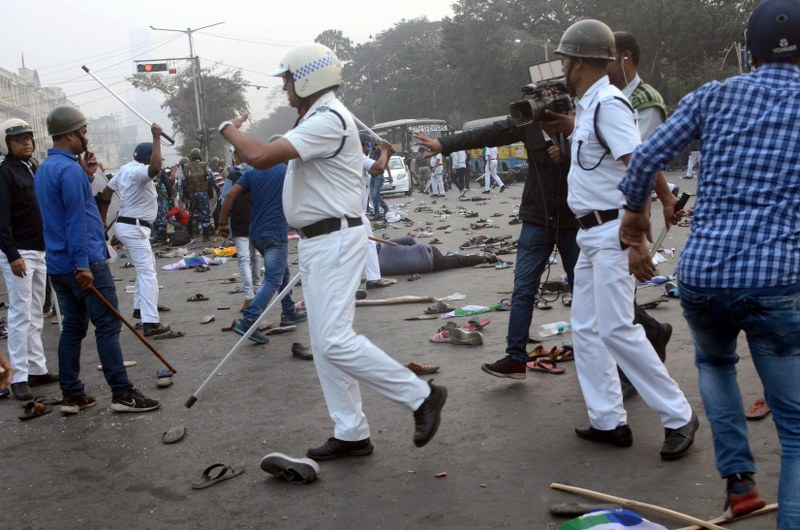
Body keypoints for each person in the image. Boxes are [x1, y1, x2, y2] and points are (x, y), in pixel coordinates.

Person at [618, 0, 800, 524]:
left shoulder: (715, 96)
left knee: (716, 363)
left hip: (703, 275)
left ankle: (739, 481)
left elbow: (647, 155)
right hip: (776, 281)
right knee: (795, 428)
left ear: (748, 52)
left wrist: (635, 220)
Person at [220, 42, 446, 459]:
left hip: (335, 240)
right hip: (319, 240)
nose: (285, 89)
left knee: (336, 341)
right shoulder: (319, 117)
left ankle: (419, 396)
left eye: (288, 80)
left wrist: (227, 128)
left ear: (307, 78)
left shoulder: (326, 119)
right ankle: (351, 432)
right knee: (325, 345)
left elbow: (261, 155)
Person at [553, 19, 697, 459]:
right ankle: (608, 420)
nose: (562, 66)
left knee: (617, 327)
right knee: (586, 328)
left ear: (577, 61)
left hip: (614, 230)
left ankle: (679, 415)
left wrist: (642, 229)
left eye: (563, 59)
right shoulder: (590, 105)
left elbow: (640, 161)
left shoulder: (609, 104)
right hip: (591, 234)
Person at [415, 115, 579, 382]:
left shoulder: (585, 123)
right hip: (537, 218)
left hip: (575, 220)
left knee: (584, 289)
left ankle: (600, 348)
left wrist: (570, 158)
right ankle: (516, 358)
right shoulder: (529, 124)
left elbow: (609, 164)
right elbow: (486, 134)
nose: (549, 123)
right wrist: (443, 144)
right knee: (523, 288)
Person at [34, 104, 160, 415]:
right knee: (107, 325)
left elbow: (62, 213)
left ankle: (72, 393)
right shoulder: (69, 171)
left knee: (73, 328)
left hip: (58, 264)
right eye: (84, 132)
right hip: (83, 261)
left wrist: (88, 175)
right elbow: (75, 220)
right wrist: (83, 265)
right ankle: (122, 391)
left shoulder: (46, 170)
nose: (86, 138)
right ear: (70, 135)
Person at [606, 30, 678, 398]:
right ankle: (649, 334)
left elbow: (643, 161)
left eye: (609, 56)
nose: (603, 64)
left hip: (629, 210)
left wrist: (648, 215)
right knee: (618, 297)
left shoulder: (644, 100)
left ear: (627, 58)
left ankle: (639, 361)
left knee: (619, 298)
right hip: (606, 206)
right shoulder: (607, 95)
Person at [218, 142, 306, 345]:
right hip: (275, 234)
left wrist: (223, 223)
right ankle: (249, 319)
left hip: (255, 234)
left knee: (282, 273)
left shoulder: (252, 173)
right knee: (273, 279)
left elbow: (230, 195)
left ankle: (288, 311)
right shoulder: (286, 172)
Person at [0, 118, 59, 401]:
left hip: (39, 249)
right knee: (20, 315)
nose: (25, 143)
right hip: (19, 253)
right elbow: (1, 218)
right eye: (18, 139)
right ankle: (19, 377)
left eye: (28, 138)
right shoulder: (5, 173)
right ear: (7, 145)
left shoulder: (32, 168)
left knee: (36, 312)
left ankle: (37, 369)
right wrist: (12, 255)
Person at [100, 126, 173, 337]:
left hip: (129, 225)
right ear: (147, 158)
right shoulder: (141, 172)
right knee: (148, 273)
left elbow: (106, 193)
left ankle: (140, 309)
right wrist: (156, 137)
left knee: (146, 268)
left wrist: (103, 221)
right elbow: (156, 167)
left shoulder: (125, 169)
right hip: (134, 226)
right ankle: (151, 322)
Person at [221, 150, 261, 312]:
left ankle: (249, 296)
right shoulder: (258, 172)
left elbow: (225, 200)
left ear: (236, 157)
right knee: (255, 256)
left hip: (239, 221)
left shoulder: (232, 177)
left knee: (244, 258)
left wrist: (224, 223)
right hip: (257, 219)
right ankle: (257, 291)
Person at [359, 132, 397, 290]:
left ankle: (365, 278)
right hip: (352, 212)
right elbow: (379, 167)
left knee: (360, 245)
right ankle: (373, 279)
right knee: (368, 243)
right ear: (366, 145)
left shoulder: (356, 158)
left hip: (354, 211)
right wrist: (384, 150)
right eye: (369, 146)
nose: (370, 149)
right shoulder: (356, 157)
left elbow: (378, 168)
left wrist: (386, 153)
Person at [378, 237, 494, 276]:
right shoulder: (386, 245)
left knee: (455, 261)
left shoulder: (378, 270)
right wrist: (413, 250)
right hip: (427, 251)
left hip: (429, 266)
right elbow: (409, 240)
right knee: (457, 259)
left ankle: (485, 258)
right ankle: (486, 257)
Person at [183, 148, 215, 241]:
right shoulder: (205, 165)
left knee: (193, 212)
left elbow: (184, 181)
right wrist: (215, 188)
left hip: (192, 193)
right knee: (205, 213)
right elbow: (210, 178)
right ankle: (205, 236)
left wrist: (185, 194)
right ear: (200, 156)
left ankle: (191, 234)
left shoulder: (187, 167)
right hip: (203, 192)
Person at [366, 141, 391, 219]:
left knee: (375, 195)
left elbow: (385, 164)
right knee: (374, 196)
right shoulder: (370, 154)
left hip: (378, 176)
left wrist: (390, 175)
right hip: (372, 176)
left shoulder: (379, 152)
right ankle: (379, 212)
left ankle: (382, 210)